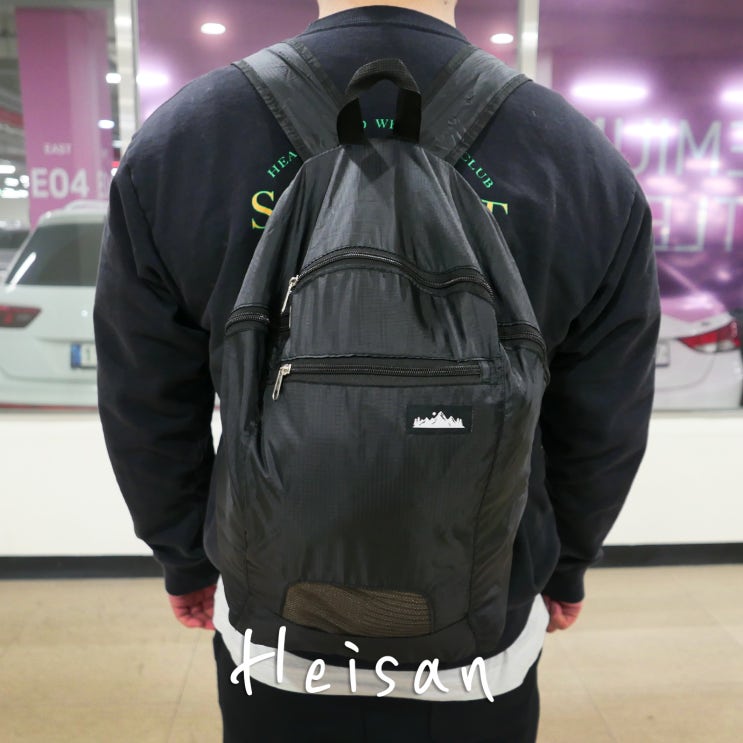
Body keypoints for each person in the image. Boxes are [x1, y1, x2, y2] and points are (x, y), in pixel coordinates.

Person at [94, 1, 660, 741]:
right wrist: (563, 563)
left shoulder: (183, 142)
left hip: (274, 634)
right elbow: (605, 414)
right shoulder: (577, 159)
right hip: (482, 633)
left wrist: (184, 555)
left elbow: (143, 397)